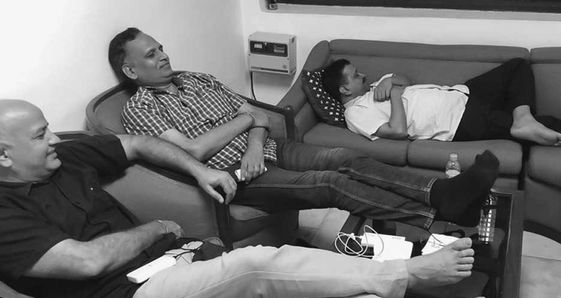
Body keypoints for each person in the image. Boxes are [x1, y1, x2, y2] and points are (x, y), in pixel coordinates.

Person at [0, 99, 489, 298]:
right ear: (3, 155)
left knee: (291, 294)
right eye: (41, 135)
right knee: (257, 264)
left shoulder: (66, 160)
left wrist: (196, 171)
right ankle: (404, 273)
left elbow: (135, 144)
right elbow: (85, 262)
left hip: (174, 266)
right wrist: (154, 228)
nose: (54, 140)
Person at [109, 28, 499, 230]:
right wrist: (246, 126)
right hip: (236, 177)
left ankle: (440, 192)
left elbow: (257, 117)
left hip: (266, 149)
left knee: (346, 157)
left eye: (161, 48)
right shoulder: (140, 110)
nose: (164, 56)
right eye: (151, 55)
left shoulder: (197, 78)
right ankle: (434, 214)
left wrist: (253, 138)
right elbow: (193, 150)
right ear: (131, 70)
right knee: (329, 182)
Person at [323, 58, 561, 146]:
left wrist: (389, 80)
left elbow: (407, 84)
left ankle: (522, 118)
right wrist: (394, 92)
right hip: (457, 123)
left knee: (517, 66)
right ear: (343, 90)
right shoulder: (358, 114)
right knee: (550, 131)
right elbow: (397, 131)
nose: (363, 76)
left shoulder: (372, 91)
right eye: (355, 76)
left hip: (462, 94)